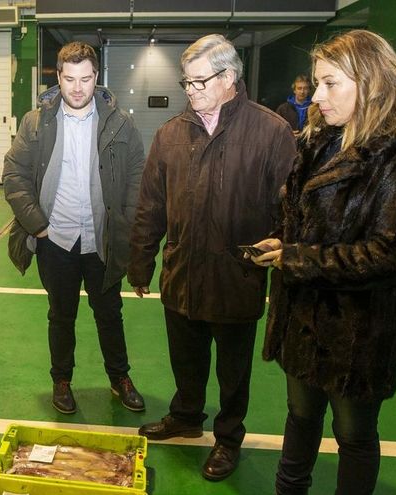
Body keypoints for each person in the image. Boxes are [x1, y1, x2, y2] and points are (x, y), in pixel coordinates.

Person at [248, 30, 396, 495]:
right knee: (300, 417)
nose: (316, 95)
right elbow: (308, 220)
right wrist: (283, 239)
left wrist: (296, 257)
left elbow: (388, 254)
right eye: (317, 83)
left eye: (330, 83)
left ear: (371, 82)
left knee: (354, 435)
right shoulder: (320, 142)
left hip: (359, 334)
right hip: (303, 320)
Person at [127, 34, 296, 481]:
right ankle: (185, 415)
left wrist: (280, 248)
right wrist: (141, 262)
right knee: (186, 357)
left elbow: (293, 209)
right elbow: (151, 206)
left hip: (236, 275)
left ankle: (228, 437)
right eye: (188, 82)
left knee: (232, 369)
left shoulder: (270, 132)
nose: (192, 90)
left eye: (201, 81)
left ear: (230, 78)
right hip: (182, 271)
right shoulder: (170, 134)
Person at [3, 41, 146, 415]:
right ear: (58, 77)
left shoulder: (120, 123)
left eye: (85, 79)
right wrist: (36, 224)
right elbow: (14, 175)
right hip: (56, 240)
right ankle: (61, 380)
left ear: (97, 77)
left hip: (101, 240)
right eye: (70, 79)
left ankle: (120, 378)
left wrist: (125, 228)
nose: (78, 88)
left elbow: (136, 179)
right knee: (60, 315)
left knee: (109, 313)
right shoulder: (36, 123)